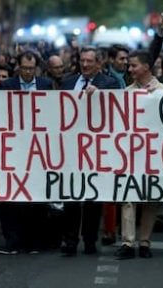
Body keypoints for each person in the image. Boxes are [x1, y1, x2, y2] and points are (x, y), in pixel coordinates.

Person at [59, 46, 121, 256]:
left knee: (93, 198)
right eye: (82, 60)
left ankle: (90, 240)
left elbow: (118, 109)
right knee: (71, 197)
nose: (85, 65)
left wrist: (101, 95)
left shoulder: (109, 83)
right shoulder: (67, 82)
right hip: (71, 148)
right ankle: (70, 240)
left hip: (96, 149)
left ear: (99, 63)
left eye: (89, 61)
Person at [114, 50, 163, 260]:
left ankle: (145, 241)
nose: (130, 69)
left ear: (146, 67)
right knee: (128, 197)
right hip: (130, 153)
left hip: (155, 154)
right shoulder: (126, 93)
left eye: (133, 65)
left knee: (150, 199)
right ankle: (128, 242)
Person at [0, 51, 52, 255]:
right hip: (13, 147)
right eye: (25, 68)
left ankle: (33, 241)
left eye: (32, 68)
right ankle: (12, 240)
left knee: (35, 197)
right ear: (18, 67)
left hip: (37, 149)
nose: (28, 72)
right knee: (10, 197)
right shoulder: (5, 86)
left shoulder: (46, 85)